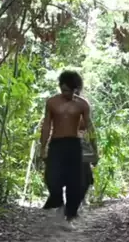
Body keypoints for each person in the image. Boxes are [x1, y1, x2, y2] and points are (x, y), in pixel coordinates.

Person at [40, 71, 98, 228]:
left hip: (74, 144)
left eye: (70, 91)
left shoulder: (82, 104)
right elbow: (46, 125)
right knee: (52, 178)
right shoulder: (52, 102)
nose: (66, 93)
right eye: (64, 90)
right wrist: (42, 147)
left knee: (76, 183)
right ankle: (58, 204)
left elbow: (90, 127)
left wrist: (95, 150)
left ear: (75, 89)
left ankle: (70, 216)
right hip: (56, 144)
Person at [75, 87, 97, 208]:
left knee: (85, 174)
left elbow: (91, 131)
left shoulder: (84, 109)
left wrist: (95, 152)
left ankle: (81, 198)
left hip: (82, 147)